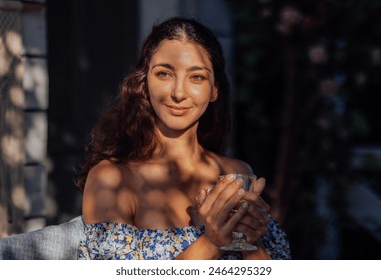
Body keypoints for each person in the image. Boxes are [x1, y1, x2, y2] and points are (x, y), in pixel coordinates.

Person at [76, 17, 290, 260]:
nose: (178, 93)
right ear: (145, 83)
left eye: (196, 77)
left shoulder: (236, 173)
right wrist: (210, 242)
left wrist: (250, 241)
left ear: (214, 90)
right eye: (164, 74)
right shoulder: (112, 179)